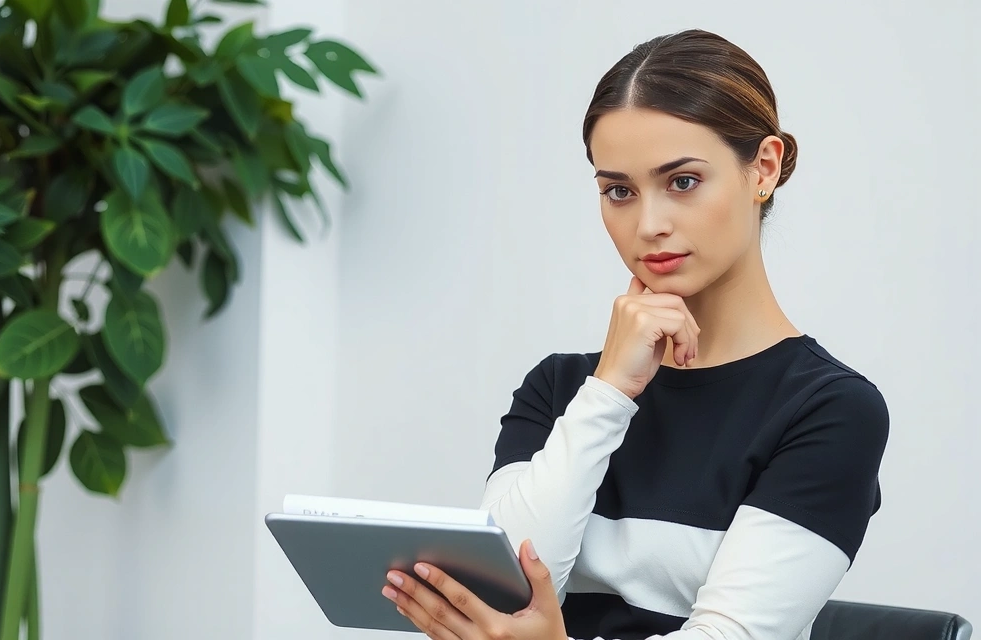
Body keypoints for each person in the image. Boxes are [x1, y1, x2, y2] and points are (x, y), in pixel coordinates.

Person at [380, 28, 890, 640]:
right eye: (619, 191)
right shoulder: (562, 388)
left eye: (682, 182)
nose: (648, 224)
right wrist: (611, 390)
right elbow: (499, 594)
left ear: (764, 167)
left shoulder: (830, 411)